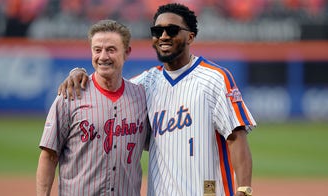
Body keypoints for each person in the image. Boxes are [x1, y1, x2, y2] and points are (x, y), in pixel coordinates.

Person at [59, 3, 256, 196]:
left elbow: (236, 137)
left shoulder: (215, 78)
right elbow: (108, 86)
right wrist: (78, 72)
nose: (163, 36)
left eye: (171, 30)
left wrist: (244, 190)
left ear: (190, 36)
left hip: (209, 191)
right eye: (157, 30)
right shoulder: (144, 84)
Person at [36, 19, 149, 196]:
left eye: (111, 50)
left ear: (127, 52)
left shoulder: (142, 97)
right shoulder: (70, 96)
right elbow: (49, 156)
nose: (103, 56)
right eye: (97, 50)